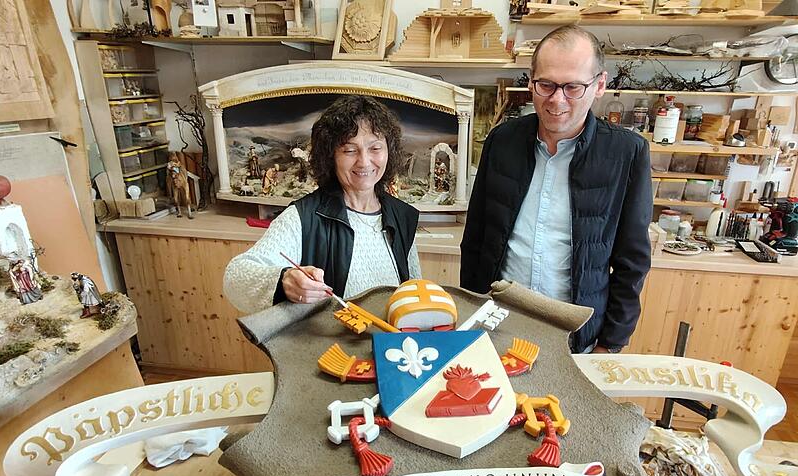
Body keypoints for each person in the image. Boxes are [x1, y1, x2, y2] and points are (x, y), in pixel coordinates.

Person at [460, 25, 652, 354]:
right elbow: (476, 238)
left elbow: (632, 262)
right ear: (531, 80)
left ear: (599, 85)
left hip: (573, 337)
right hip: (497, 328)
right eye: (545, 84)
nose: (556, 100)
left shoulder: (626, 153)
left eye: (573, 87)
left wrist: (611, 343)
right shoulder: (501, 141)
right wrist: (470, 314)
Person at [224, 95, 421, 314]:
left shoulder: (403, 216)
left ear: (389, 152)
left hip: (391, 344)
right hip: (330, 346)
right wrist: (284, 280)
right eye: (349, 150)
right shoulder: (303, 217)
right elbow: (235, 277)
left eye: (375, 148)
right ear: (330, 156)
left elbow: (414, 292)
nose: (364, 161)